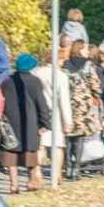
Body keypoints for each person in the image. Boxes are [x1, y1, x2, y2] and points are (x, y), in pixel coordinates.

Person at [0, 53, 51, 193]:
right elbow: (41, 103)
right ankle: (32, 181)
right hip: (30, 123)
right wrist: (45, 122)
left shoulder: (7, 81)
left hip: (10, 122)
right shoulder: (35, 81)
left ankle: (14, 185)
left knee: (11, 154)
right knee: (30, 153)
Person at [63, 40, 103, 181]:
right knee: (79, 136)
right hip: (83, 105)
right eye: (85, 49)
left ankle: (67, 166)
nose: (87, 52)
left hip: (68, 103)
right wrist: (96, 94)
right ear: (80, 50)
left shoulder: (66, 65)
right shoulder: (87, 65)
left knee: (68, 136)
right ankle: (76, 168)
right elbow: (95, 85)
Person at [34, 51, 74, 186]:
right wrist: (68, 121)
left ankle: (37, 172)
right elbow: (64, 100)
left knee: (40, 145)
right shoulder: (61, 76)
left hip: (39, 111)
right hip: (55, 113)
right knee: (57, 145)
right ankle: (56, 173)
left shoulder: (37, 73)